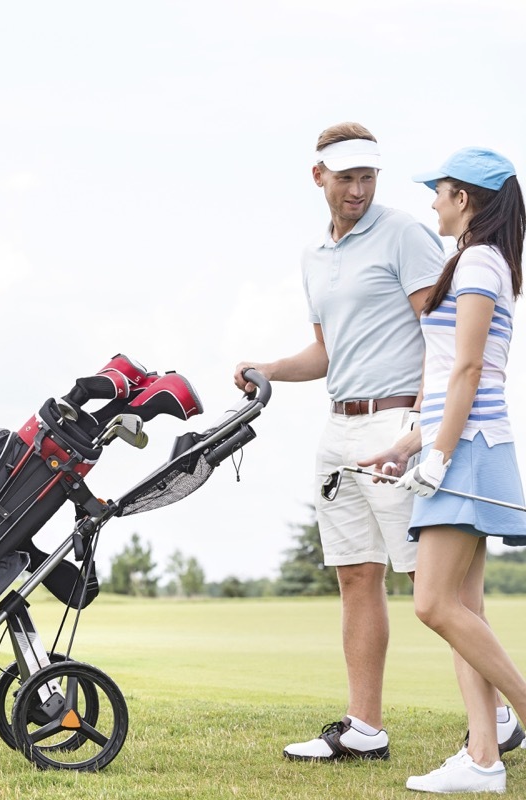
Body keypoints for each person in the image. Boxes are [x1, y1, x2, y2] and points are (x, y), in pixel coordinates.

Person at [234, 121, 451, 762]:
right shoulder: (314, 257)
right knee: (357, 576)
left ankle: (497, 717)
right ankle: (364, 728)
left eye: (368, 176)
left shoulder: (406, 235)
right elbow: (327, 353)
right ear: (318, 176)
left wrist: (423, 429)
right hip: (340, 428)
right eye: (347, 177)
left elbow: (442, 337)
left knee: (434, 585)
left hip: (399, 425)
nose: (359, 189)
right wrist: (271, 369)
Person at [359, 147, 526, 793]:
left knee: (432, 604)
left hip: (470, 450)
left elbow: (467, 372)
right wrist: (410, 443)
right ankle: (484, 759)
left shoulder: (481, 261)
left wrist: (439, 457)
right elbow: (451, 380)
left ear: (469, 199)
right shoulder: (483, 260)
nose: (433, 202)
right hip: (463, 444)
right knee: (465, 610)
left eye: (442, 192)